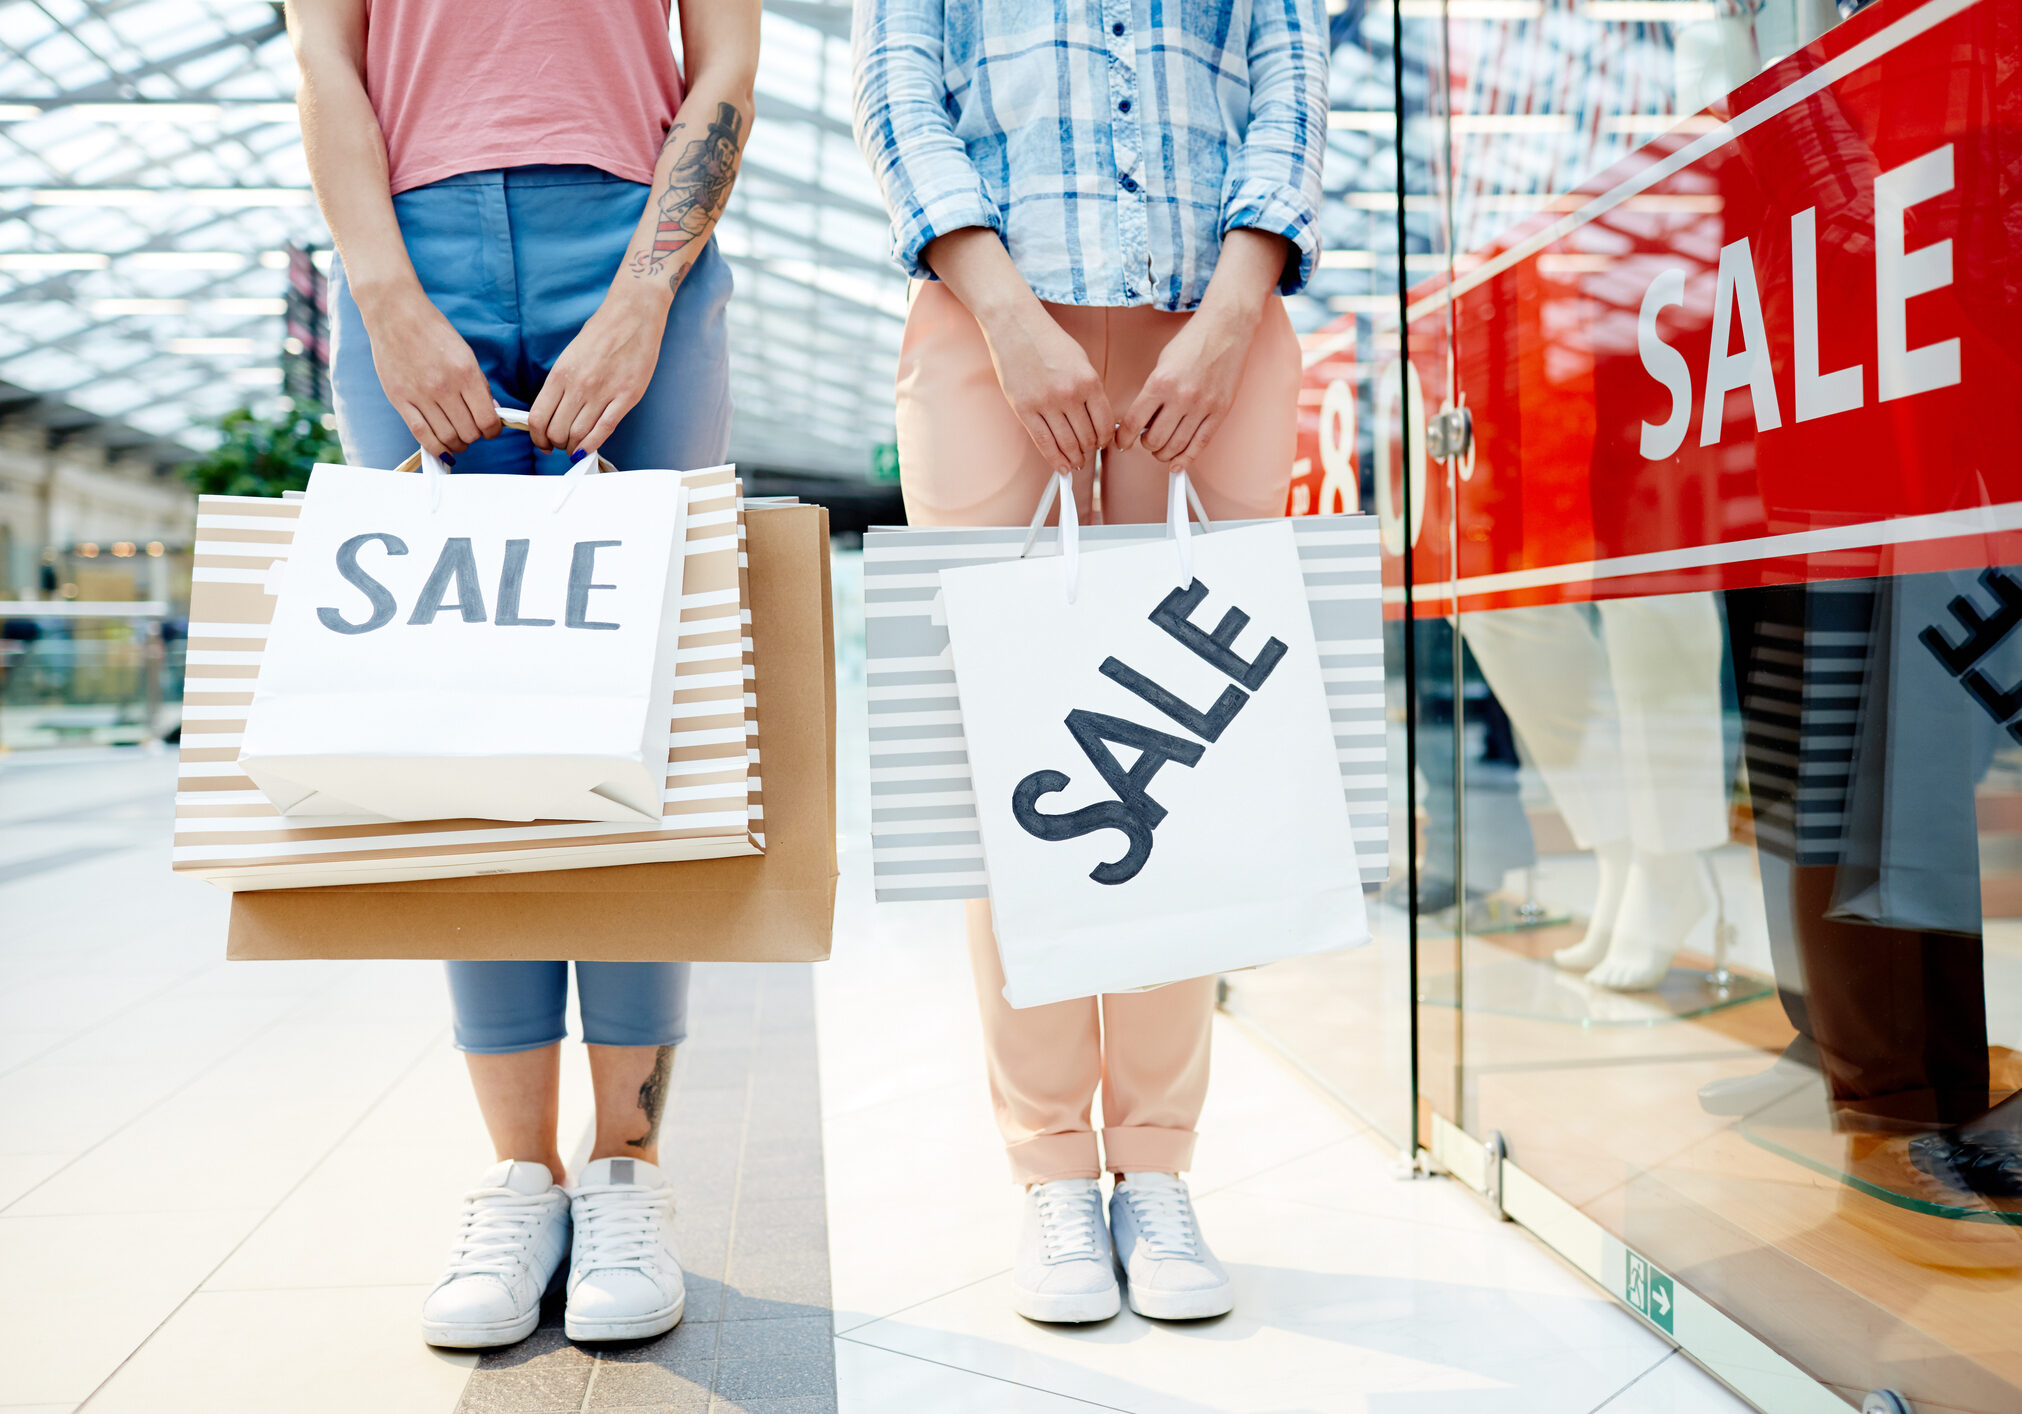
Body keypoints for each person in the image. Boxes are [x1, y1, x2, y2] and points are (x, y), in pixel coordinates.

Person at [286, 0, 759, 1348]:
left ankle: (625, 1168)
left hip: (634, 238)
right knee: (453, 709)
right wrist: (381, 295)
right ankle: (517, 1175)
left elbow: (724, 57)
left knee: (642, 704)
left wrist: (643, 292)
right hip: (407, 238)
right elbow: (322, 50)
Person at [852, 0, 1329, 1322]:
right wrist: (1004, 313)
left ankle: (1159, 1163)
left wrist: (1236, 310)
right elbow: (899, 94)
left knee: (1177, 757)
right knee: (1016, 769)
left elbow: (1291, 88)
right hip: (990, 332)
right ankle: (1053, 1165)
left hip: (1215, 335)